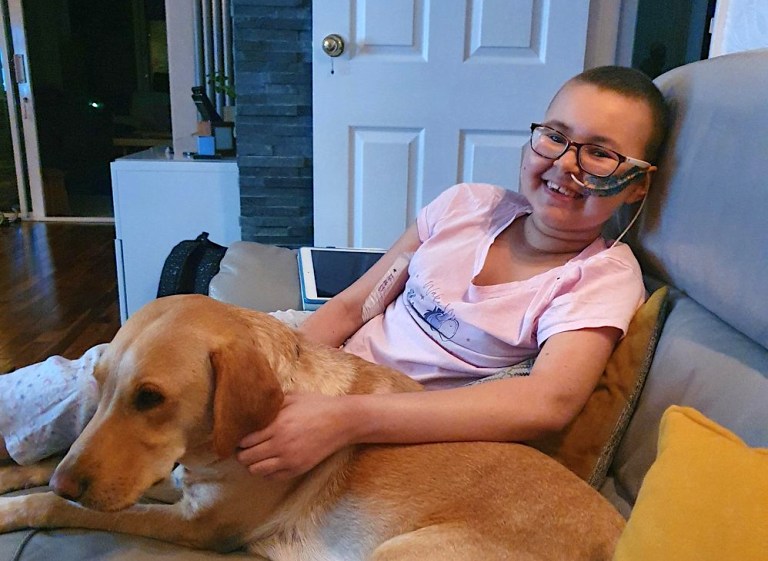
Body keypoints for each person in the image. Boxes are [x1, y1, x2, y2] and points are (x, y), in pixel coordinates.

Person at [0, 66, 668, 480]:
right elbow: (355, 303)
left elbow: (544, 403)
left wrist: (342, 418)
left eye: (602, 155)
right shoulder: (468, 205)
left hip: (383, 412)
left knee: (162, 401)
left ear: (638, 187)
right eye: (555, 135)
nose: (565, 163)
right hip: (315, 356)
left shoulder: (599, 278)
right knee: (123, 368)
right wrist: (287, 364)